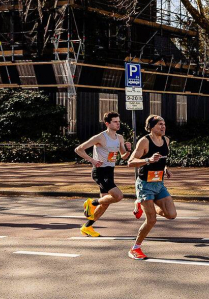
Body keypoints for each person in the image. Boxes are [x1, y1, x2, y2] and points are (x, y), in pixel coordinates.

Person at [74, 111, 132, 237]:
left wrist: (128, 150)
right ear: (107, 123)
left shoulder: (120, 138)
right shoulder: (100, 137)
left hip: (110, 171)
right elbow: (79, 149)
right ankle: (92, 203)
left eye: (118, 121)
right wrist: (92, 160)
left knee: (105, 204)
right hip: (99, 171)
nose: (118, 124)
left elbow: (123, 156)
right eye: (115, 122)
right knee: (118, 196)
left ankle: (87, 227)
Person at [127, 115, 177, 260]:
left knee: (171, 214)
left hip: (159, 183)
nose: (163, 127)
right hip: (145, 184)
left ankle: (142, 204)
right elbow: (130, 162)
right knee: (151, 220)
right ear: (151, 127)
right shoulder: (145, 141)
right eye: (160, 124)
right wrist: (148, 160)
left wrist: (165, 168)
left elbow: (162, 160)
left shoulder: (166, 140)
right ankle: (135, 248)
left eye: (164, 124)